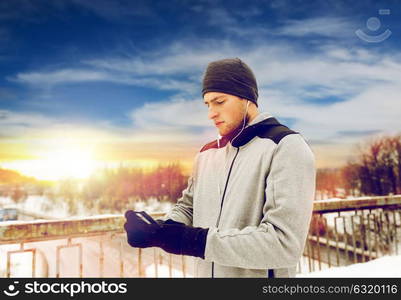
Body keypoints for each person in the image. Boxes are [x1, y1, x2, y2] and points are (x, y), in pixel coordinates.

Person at [124, 58, 316, 278]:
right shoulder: (206, 154)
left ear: (247, 98)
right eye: (207, 104)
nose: (211, 113)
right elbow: (189, 207)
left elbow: (284, 244)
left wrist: (191, 241)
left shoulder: (285, 146)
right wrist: (158, 231)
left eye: (219, 101)